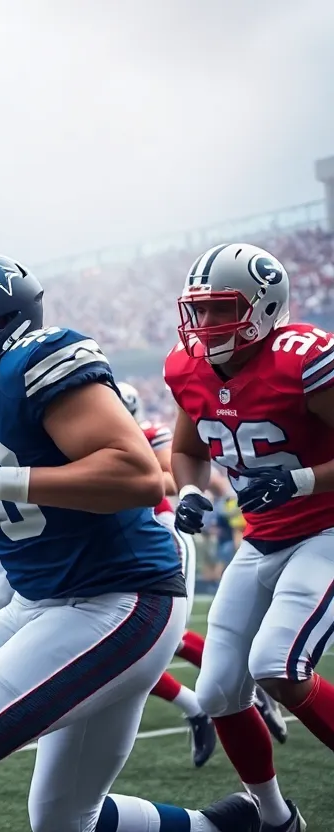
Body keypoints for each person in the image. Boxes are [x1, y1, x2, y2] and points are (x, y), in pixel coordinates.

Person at [0, 253, 260, 832]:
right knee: (65, 819)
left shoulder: (37, 361)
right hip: (42, 601)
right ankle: (226, 827)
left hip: (118, 599)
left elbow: (137, 477)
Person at [165, 242, 334, 830]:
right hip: (263, 538)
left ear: (266, 308)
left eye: (222, 309)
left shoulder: (303, 359)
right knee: (215, 695)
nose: (206, 324)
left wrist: (302, 480)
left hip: (326, 527)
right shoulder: (186, 366)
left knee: (277, 665)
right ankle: (274, 817)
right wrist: (190, 493)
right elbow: (186, 450)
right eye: (200, 309)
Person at [114, 381, 218, 767]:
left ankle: (240, 686)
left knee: (158, 639)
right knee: (129, 649)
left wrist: (117, 475)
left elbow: (175, 479)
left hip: (159, 534)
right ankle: (197, 706)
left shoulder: (146, 435)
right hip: (114, 545)